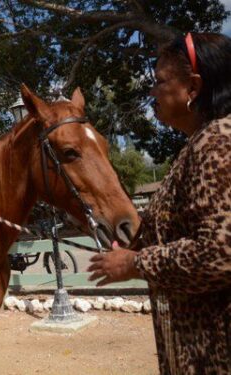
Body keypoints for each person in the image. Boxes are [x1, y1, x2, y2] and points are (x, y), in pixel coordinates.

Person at [88, 32, 231, 374]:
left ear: (193, 88)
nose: (152, 92)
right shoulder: (197, 145)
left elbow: (221, 253)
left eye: (160, 82)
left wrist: (136, 263)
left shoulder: (218, 144)